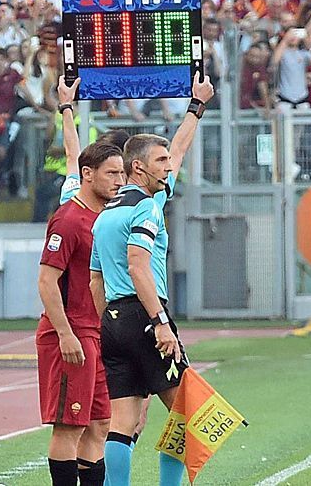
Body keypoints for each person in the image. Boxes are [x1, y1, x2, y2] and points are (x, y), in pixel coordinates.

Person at [89, 73, 214, 486]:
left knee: (122, 422)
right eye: (161, 163)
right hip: (146, 317)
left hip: (113, 321)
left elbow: (95, 282)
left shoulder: (106, 213)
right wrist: (159, 321)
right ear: (138, 168)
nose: (170, 166)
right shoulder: (147, 209)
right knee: (188, 412)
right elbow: (138, 264)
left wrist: (196, 107)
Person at [36, 77, 125, 486]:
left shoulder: (106, 216)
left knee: (100, 424)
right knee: (69, 427)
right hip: (73, 333)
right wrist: (66, 333)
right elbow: (46, 280)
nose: (119, 180)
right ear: (87, 175)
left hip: (97, 332)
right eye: (112, 173)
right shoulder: (69, 217)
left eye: (122, 172)